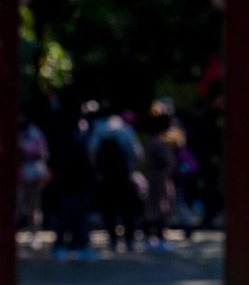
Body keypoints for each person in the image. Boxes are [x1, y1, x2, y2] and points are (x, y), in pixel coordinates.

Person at [94, 114, 145, 252]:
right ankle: (129, 240)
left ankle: (113, 240)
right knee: (128, 211)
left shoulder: (98, 133)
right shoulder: (126, 132)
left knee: (109, 211)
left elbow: (92, 154)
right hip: (124, 178)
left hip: (105, 180)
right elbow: (137, 154)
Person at [52, 115, 96, 260]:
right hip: (72, 186)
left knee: (76, 217)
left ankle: (77, 245)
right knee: (70, 217)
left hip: (74, 186)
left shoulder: (69, 143)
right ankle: (71, 245)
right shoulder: (75, 144)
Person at [143, 107, 176, 251]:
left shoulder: (150, 141)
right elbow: (165, 161)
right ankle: (157, 237)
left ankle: (153, 237)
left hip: (154, 178)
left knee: (155, 209)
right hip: (158, 178)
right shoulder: (157, 142)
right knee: (158, 209)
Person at [17, 113, 51, 247]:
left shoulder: (35, 133)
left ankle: (35, 233)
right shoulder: (17, 131)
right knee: (19, 206)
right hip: (19, 173)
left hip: (33, 173)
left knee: (34, 205)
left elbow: (43, 153)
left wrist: (25, 150)